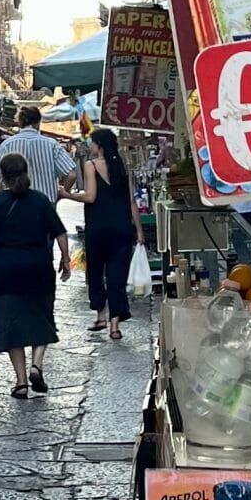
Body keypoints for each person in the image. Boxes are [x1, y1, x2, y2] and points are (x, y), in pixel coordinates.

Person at [0, 151, 71, 399]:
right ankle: (37, 365)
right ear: (26, 171)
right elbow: (60, 232)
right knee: (42, 316)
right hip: (38, 267)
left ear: (3, 176)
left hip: (4, 269)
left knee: (9, 324)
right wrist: (65, 259)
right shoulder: (40, 200)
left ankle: (20, 382)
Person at [78, 126, 140, 340]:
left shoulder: (91, 165)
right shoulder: (122, 167)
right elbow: (132, 202)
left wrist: (67, 194)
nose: (91, 146)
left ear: (99, 145)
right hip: (122, 228)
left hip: (98, 228)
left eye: (93, 142)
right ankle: (115, 326)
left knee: (95, 272)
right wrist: (139, 230)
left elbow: (90, 196)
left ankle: (100, 316)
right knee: (117, 276)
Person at [0, 105, 79, 204]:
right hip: (45, 206)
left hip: (15, 207)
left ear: (20, 122)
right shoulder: (52, 145)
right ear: (38, 122)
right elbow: (72, 175)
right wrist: (63, 191)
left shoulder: (7, 145)